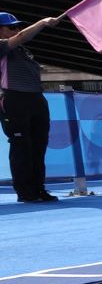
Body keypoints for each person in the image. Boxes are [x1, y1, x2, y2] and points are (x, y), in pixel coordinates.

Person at [0, 12, 60, 203]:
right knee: (21, 146)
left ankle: (38, 188)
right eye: (11, 27)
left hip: (36, 98)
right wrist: (42, 21)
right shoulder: (2, 46)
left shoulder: (23, 51)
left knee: (38, 146)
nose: (16, 30)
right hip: (13, 98)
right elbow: (22, 37)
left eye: (18, 27)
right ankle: (25, 191)